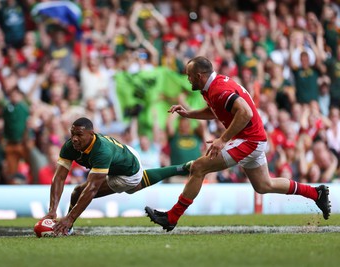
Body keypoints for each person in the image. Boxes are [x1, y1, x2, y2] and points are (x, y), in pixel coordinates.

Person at [145, 56, 331, 232]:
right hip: (253, 139)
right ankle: (316, 193)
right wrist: (189, 114)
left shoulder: (218, 89)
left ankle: (172, 217)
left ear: (199, 76)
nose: (188, 79)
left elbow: (246, 112)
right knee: (263, 185)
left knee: (199, 167)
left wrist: (223, 139)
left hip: (249, 140)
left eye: (189, 76)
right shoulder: (213, 87)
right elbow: (215, 110)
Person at [42, 117, 192, 235]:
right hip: (126, 155)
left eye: (79, 135)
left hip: (126, 174)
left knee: (80, 192)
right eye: (72, 134)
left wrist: (70, 218)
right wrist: (52, 210)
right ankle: (182, 168)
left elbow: (92, 189)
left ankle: (67, 228)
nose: (74, 138)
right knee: (134, 185)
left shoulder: (101, 152)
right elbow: (59, 177)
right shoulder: (70, 146)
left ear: (91, 134)